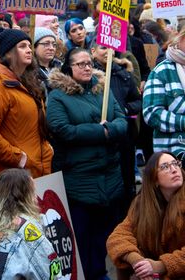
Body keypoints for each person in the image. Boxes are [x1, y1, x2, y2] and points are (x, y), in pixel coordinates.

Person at [46, 47, 127, 280]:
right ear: (69, 68)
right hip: (79, 180)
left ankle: (99, 272)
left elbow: (121, 122)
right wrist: (101, 132)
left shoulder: (103, 89)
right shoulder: (59, 96)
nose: (87, 67)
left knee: (104, 236)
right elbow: (63, 130)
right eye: (80, 64)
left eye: (89, 62)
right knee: (81, 236)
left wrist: (110, 128)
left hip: (109, 177)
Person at [0, 28, 53, 196]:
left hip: (33, 174)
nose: (29, 50)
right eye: (22, 46)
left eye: (29, 46)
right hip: (10, 180)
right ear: (8, 53)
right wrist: (19, 158)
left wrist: (46, 149)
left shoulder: (26, 81)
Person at [107, 151, 185, 280]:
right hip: (153, 273)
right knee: (124, 260)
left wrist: (160, 266)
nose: (174, 169)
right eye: (165, 166)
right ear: (154, 180)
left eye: (175, 164)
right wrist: (138, 262)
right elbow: (117, 237)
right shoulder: (142, 205)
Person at [90, 42, 142, 214]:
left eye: (111, 48)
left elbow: (137, 101)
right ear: (93, 51)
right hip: (100, 136)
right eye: (103, 48)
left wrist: (125, 109)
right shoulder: (88, 76)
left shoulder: (123, 75)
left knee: (127, 177)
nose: (108, 51)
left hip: (124, 135)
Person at [143, 26, 185, 167]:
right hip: (174, 157)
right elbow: (151, 113)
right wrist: (183, 122)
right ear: (179, 39)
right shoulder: (161, 71)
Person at [34, 27, 61, 94]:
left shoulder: (61, 66)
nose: (51, 48)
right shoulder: (30, 72)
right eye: (46, 44)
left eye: (54, 44)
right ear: (34, 47)